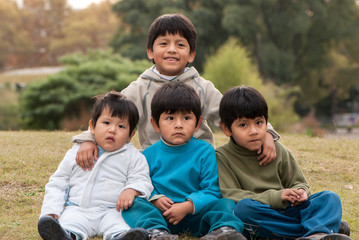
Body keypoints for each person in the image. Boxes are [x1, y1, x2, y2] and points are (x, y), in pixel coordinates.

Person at [72, 13, 279, 171]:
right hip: (156, 163)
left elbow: (235, 113)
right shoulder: (139, 88)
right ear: (150, 52)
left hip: (198, 163)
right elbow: (111, 116)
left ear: (191, 54)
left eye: (180, 45)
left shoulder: (202, 87)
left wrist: (267, 133)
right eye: (164, 43)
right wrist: (88, 139)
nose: (172, 49)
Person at [215, 86, 351, 240]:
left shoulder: (278, 150)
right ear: (226, 129)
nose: (254, 131)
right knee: (243, 209)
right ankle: (320, 227)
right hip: (262, 215)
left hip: (289, 210)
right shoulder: (222, 157)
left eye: (259, 122)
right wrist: (277, 197)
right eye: (243, 125)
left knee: (330, 198)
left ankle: (316, 234)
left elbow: (299, 183)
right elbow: (231, 195)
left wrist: (300, 192)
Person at [121, 82, 246, 240]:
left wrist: (188, 206)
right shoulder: (147, 155)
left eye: (187, 118)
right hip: (161, 215)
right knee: (133, 202)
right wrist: (154, 198)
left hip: (196, 214)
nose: (178, 125)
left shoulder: (205, 151)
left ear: (197, 123)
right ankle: (156, 232)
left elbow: (212, 190)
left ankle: (223, 231)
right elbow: (142, 183)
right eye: (170, 118)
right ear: (155, 124)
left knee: (225, 203)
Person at [38, 91, 153, 240]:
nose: (112, 129)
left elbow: (142, 179)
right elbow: (58, 183)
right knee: (70, 222)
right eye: (106, 123)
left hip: (114, 210)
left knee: (120, 225)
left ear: (131, 135)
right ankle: (66, 236)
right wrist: (50, 210)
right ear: (92, 126)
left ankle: (122, 237)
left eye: (121, 126)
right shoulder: (77, 152)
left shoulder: (134, 157)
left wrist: (132, 190)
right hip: (79, 208)